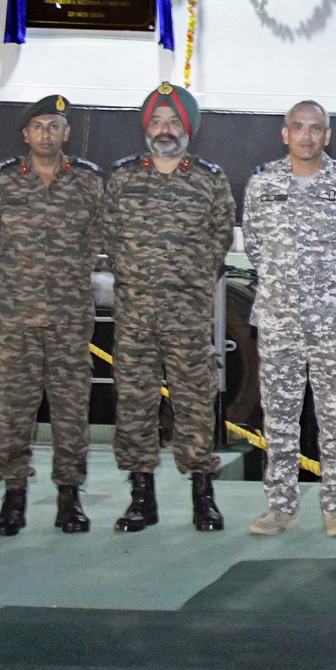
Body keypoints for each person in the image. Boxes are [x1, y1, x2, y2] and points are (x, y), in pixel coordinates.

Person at [243, 100, 336, 538]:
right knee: (279, 414)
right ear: (285, 133)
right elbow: (253, 242)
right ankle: (280, 508)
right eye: (298, 128)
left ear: (328, 135)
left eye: (316, 128)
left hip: (331, 320)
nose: (307, 136)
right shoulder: (262, 183)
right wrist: (283, 283)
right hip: (278, 318)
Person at [105, 83, 235, 534]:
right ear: (147, 128)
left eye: (174, 122)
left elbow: (221, 237)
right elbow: (109, 236)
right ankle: (142, 498)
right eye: (157, 121)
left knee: (195, 404)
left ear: (188, 130)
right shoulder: (122, 177)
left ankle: (204, 496)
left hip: (188, 316)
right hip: (135, 317)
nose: (165, 130)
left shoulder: (209, 178)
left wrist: (192, 278)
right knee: (135, 406)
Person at [0, 94, 103, 536]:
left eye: (55, 126)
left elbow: (98, 238)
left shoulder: (88, 183)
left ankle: (70, 497)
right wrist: (13, 286)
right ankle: (13, 498)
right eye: (39, 127)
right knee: (14, 410)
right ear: (26, 134)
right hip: (16, 319)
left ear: (66, 134)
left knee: (71, 410)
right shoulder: (1, 182)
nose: (46, 134)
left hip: (70, 319)